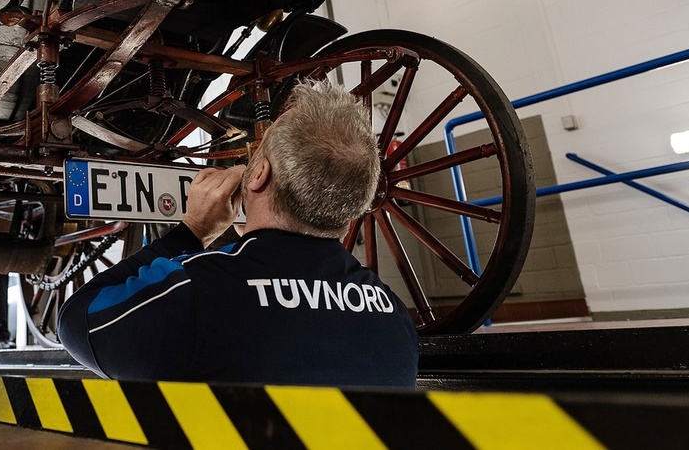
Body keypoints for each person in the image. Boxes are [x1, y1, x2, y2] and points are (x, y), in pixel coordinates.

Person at [56, 82, 418, 387]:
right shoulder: (393, 316)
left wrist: (191, 232)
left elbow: (76, 322)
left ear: (258, 175)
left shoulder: (196, 290)